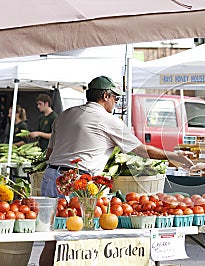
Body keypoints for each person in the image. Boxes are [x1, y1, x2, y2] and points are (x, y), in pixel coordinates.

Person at [39, 76, 193, 265]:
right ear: (106, 96)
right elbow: (142, 150)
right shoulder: (108, 120)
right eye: (115, 98)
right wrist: (173, 156)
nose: (116, 102)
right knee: (77, 241)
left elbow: (49, 154)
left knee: (52, 238)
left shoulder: (65, 115)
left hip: (50, 177)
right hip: (77, 184)